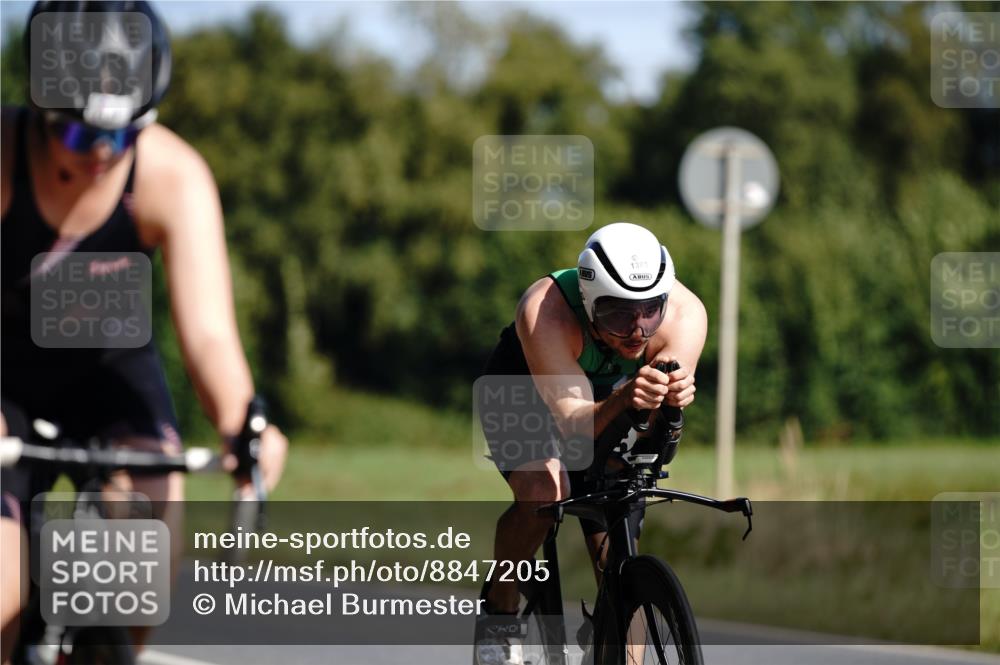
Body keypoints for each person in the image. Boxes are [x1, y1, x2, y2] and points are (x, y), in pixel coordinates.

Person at [0, 2, 288, 660]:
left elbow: (212, 335)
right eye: (78, 137)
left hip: (110, 372)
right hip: (5, 374)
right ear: (42, 113)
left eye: (123, 135)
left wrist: (244, 424)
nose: (102, 152)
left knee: (139, 573)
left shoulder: (174, 175)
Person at [474, 222, 707, 665]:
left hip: (609, 395)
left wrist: (669, 400)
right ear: (588, 301)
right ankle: (500, 609)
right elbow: (574, 427)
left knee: (618, 519)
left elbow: (654, 428)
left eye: (647, 312)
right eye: (618, 314)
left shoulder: (684, 314)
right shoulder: (545, 311)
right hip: (524, 386)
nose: (637, 331)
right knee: (545, 491)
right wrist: (623, 396)